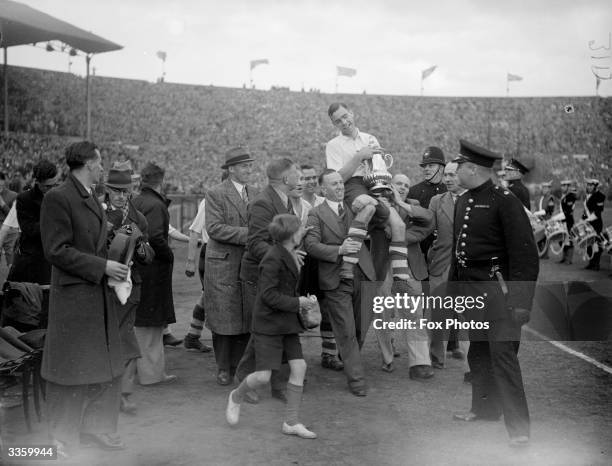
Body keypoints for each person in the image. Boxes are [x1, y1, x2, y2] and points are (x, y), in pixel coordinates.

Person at [450, 139, 539, 447]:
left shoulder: (505, 199)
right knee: (478, 352)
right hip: (472, 292)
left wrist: (521, 303)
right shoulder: (463, 200)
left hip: (499, 294)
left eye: (459, 166)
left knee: (503, 357)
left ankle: (519, 429)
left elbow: (525, 256)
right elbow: (458, 255)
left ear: (472, 168)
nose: (455, 170)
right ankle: (484, 410)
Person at [40, 141, 128, 455]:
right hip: (75, 299)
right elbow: (56, 250)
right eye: (100, 162)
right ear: (89, 164)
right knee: (69, 370)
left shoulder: (89, 196)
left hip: (96, 293)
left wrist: (117, 263)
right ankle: (60, 437)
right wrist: (102, 266)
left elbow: (92, 244)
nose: (103, 167)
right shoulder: (58, 197)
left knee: (105, 365)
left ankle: (97, 428)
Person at [226, 214, 316, 439]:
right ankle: (236, 396)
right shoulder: (272, 258)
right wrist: (299, 303)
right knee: (263, 377)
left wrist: (298, 303)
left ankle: (291, 422)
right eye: (300, 229)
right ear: (291, 235)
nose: (302, 232)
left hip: (286, 322)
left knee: (299, 368)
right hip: (268, 323)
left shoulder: (288, 252)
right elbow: (268, 296)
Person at [304, 169, 376, 396]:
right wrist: (340, 250)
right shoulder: (315, 214)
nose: (340, 187)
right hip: (335, 279)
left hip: (363, 274)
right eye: (334, 184)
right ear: (323, 189)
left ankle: (348, 357)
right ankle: (357, 380)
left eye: (340, 183)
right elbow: (311, 246)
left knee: (361, 326)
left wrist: (372, 200)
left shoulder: (357, 206)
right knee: (345, 331)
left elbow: (382, 214)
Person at [236, 157, 302, 402]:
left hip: (278, 277)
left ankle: (278, 383)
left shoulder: (285, 200)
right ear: (285, 179)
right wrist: (287, 257)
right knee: (263, 331)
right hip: (260, 276)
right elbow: (255, 244)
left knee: (281, 328)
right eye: (296, 173)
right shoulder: (263, 202)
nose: (299, 177)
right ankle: (244, 379)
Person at [103, 167, 155, 415]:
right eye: (116, 191)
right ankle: (104, 392)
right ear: (107, 190)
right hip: (100, 285)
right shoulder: (96, 214)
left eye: (125, 191)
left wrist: (143, 251)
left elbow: (148, 254)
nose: (121, 196)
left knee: (126, 338)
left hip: (128, 286)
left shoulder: (139, 218)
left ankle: (123, 394)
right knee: (103, 338)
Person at [204, 147, 256, 385]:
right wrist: (252, 234)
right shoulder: (215, 193)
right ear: (231, 169)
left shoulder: (256, 193)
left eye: (249, 165)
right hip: (224, 265)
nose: (248, 169)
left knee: (245, 315)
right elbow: (214, 229)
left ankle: (239, 366)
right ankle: (223, 367)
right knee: (224, 318)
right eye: (244, 165)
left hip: (248, 264)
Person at [132, 162, 178, 385]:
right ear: (161, 180)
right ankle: (152, 375)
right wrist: (169, 255)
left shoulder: (137, 199)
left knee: (141, 322)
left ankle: (144, 372)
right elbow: (157, 238)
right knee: (151, 324)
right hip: (152, 268)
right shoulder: (155, 204)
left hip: (138, 266)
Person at [427, 162, 469, 368]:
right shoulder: (436, 201)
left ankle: (472, 360)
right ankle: (436, 357)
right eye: (446, 175)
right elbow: (425, 228)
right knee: (438, 312)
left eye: (453, 175)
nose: (448, 179)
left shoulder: (475, 200)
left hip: (468, 266)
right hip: (441, 264)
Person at [8, 160, 59, 285]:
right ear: (37, 182)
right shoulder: (24, 199)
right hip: (33, 261)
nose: (52, 189)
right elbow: (29, 230)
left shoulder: (59, 196)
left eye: (54, 185)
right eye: (47, 186)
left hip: (56, 257)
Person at [408, 147, 447, 255]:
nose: (426, 169)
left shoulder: (449, 191)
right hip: (420, 248)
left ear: (441, 168)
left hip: (444, 250)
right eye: (424, 166)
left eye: (431, 165)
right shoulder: (413, 191)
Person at [582, 178, 605, 271]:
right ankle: (591, 263)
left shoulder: (600, 196)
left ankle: (596, 264)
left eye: (591, 185)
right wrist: (582, 219)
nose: (588, 187)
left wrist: (586, 220)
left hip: (596, 224)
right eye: (588, 185)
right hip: (588, 224)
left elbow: (597, 213)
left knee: (596, 244)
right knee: (588, 244)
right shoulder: (587, 196)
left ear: (595, 186)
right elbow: (585, 211)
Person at [0, 172, 18, 267]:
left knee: (11, 262)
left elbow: (14, 217)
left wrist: (2, 204)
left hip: (9, 231)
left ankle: (11, 279)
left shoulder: (13, 195)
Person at [559, 180, 577, 264]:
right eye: (562, 186)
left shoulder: (571, 196)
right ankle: (564, 257)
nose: (562, 187)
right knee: (562, 239)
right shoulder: (564, 196)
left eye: (564, 186)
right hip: (562, 221)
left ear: (568, 187)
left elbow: (568, 211)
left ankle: (568, 260)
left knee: (569, 240)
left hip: (568, 221)